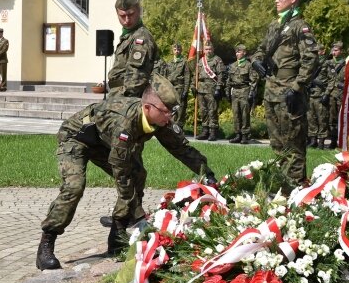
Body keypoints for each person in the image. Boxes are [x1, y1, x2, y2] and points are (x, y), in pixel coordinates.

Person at [36, 75, 217, 270]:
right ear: (148, 107)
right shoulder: (124, 122)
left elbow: (182, 149)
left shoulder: (159, 121)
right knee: (75, 186)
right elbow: (120, 172)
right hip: (77, 138)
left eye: (172, 112)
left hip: (105, 142)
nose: (169, 117)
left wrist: (207, 174)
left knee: (137, 175)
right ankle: (47, 244)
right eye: (166, 112)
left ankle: (117, 236)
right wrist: (138, 214)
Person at [250, 0, 319, 185]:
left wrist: (298, 86)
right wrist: (255, 61)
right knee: (277, 144)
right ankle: (283, 185)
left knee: (293, 145)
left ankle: (296, 188)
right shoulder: (275, 25)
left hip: (290, 92)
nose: (276, 0)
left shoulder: (300, 26)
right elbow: (261, 49)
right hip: (272, 91)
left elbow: (311, 58)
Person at [106, 0, 159, 98]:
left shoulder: (141, 37)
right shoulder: (129, 36)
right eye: (122, 16)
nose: (127, 20)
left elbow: (136, 80)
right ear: (117, 14)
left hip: (126, 99)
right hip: (117, 94)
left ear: (138, 10)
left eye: (130, 14)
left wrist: (122, 100)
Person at [226, 44, 259, 144]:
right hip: (235, 91)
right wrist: (227, 91)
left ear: (244, 53)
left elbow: (254, 80)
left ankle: (245, 135)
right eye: (236, 52)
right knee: (236, 114)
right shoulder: (233, 65)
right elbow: (228, 80)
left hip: (245, 90)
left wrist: (251, 93)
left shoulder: (249, 66)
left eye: (239, 52)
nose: (237, 54)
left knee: (245, 114)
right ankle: (238, 134)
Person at [194, 41, 226, 141]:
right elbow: (196, 75)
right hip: (201, 88)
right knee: (203, 111)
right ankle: (205, 131)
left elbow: (221, 75)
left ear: (213, 49)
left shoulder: (217, 60)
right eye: (206, 49)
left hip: (212, 88)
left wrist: (218, 88)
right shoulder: (200, 61)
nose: (208, 51)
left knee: (212, 111)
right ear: (204, 50)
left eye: (210, 49)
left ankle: (213, 132)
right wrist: (193, 86)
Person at [324, 41, 345, 149]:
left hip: (341, 94)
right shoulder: (328, 63)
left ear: (341, 51)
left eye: (336, 50)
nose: (334, 52)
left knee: (341, 118)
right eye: (333, 50)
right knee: (332, 119)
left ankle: (342, 141)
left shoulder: (345, 63)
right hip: (332, 94)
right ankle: (332, 140)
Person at [307, 45, 329, 149]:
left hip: (320, 94)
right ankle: (313, 140)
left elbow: (332, 80)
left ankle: (321, 142)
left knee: (322, 119)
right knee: (311, 119)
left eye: (317, 51)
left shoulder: (326, 63)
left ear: (323, 51)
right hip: (310, 95)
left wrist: (326, 93)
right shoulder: (310, 64)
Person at [163, 42, 190, 126]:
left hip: (180, 88)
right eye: (175, 49)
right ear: (172, 51)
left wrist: (185, 90)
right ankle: (171, 126)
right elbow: (165, 76)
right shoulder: (169, 62)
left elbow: (187, 77)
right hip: (170, 88)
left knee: (180, 108)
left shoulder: (184, 62)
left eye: (178, 49)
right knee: (170, 108)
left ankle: (179, 127)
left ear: (181, 50)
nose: (177, 51)